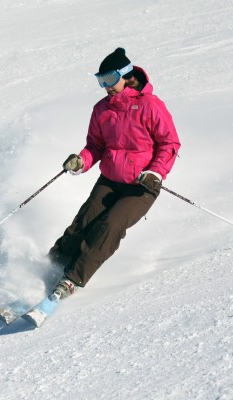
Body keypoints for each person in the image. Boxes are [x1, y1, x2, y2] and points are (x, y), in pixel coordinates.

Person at [47, 48, 181, 301]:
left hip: (142, 186)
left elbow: (170, 143)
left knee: (108, 227)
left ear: (126, 75)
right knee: (82, 224)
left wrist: (156, 172)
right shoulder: (102, 109)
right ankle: (51, 266)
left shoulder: (150, 105)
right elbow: (96, 145)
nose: (105, 87)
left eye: (109, 80)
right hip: (110, 180)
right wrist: (81, 160)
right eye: (101, 81)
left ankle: (72, 279)